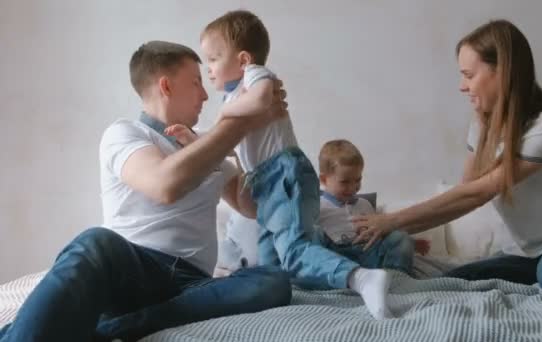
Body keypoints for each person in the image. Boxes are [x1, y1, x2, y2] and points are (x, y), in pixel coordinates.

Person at [0, 40, 292, 342]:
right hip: (132, 270)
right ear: (166, 86)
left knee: (274, 281)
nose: (206, 94)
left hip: (192, 284)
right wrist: (241, 122)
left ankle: (116, 329)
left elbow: (252, 207)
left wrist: (264, 139)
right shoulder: (125, 133)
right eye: (196, 83)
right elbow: (164, 185)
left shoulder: (208, 146)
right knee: (94, 243)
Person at [353, 19, 542, 299]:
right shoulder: (483, 128)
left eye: (469, 75)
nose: (462, 86)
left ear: (502, 73)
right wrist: (400, 231)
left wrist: (390, 221)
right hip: (534, 252)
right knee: (455, 280)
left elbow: (477, 193)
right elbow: (466, 188)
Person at [167, 9, 393, 320]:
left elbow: (262, 101)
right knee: (270, 262)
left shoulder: (256, 75)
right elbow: (228, 144)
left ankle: (362, 278)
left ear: (244, 59)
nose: (209, 69)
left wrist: (221, 119)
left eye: (214, 59)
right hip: (264, 183)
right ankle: (279, 307)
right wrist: (195, 140)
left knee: (294, 250)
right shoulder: (232, 100)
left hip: (282, 173)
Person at [316, 139, 429, 272]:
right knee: (314, 234)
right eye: (344, 182)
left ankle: (397, 278)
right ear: (324, 180)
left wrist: (411, 244)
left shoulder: (364, 204)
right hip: (336, 259)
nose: (353, 188)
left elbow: (381, 234)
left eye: (358, 180)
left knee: (400, 236)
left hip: (367, 254)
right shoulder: (317, 206)